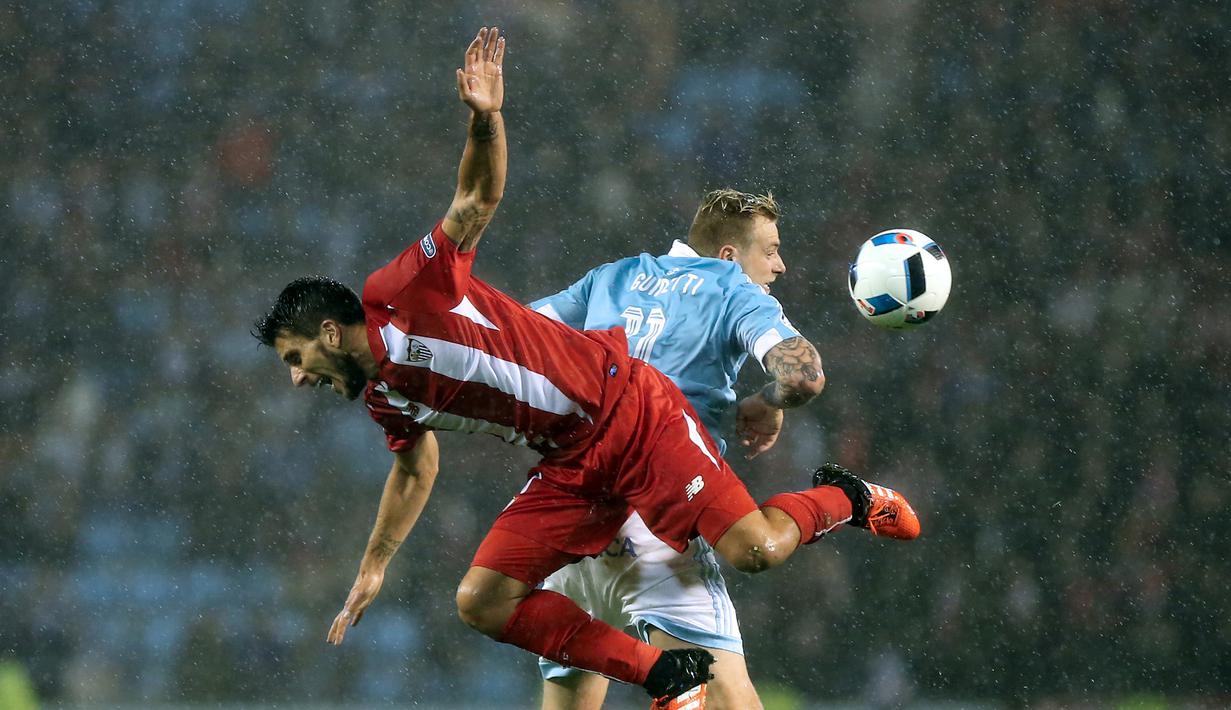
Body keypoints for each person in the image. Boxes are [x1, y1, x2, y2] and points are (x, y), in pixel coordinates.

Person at [252, 28, 920, 705]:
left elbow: (473, 203)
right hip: (570, 462)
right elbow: (414, 464)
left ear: (331, 333)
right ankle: (665, 675)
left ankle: (849, 498)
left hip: (633, 419)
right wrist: (374, 566)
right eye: (770, 250)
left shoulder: (401, 290)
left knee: (754, 551)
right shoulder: (386, 397)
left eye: (296, 358)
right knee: (480, 600)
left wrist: (486, 120)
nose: (297, 378)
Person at [531, 189, 816, 710]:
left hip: (569, 507)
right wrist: (771, 399)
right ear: (729, 255)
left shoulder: (610, 279)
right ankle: (847, 501)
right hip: (659, 510)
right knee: (729, 698)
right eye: (771, 249)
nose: (780, 265)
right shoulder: (732, 288)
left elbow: (513, 334)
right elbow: (804, 376)